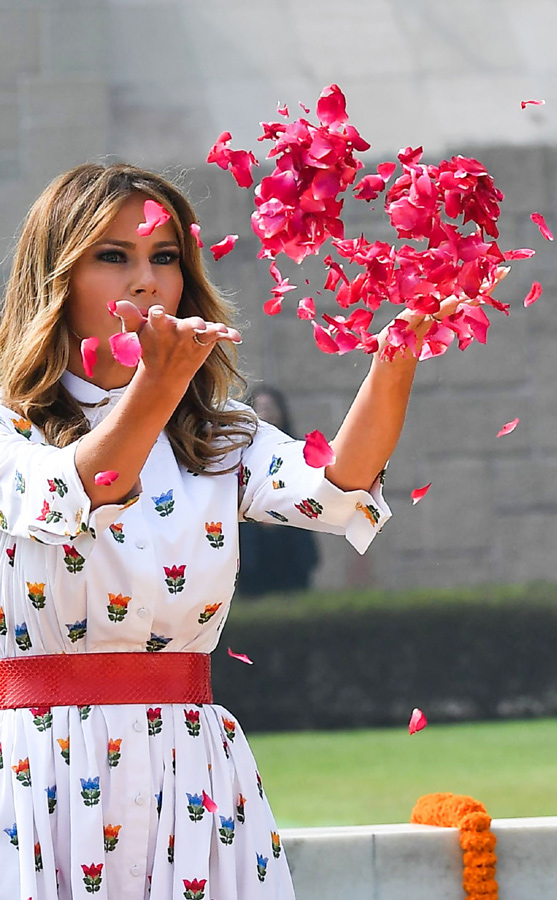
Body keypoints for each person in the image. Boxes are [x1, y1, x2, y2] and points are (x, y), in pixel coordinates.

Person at [0, 163, 424, 898]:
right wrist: (158, 387)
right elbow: (83, 489)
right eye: (115, 256)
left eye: (165, 258)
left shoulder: (215, 433)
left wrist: (397, 356)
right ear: (58, 276)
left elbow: (338, 490)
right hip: (41, 770)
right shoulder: (12, 430)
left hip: (189, 762)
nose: (147, 282)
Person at [237, 387, 319, 597]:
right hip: (252, 538)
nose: (268, 413)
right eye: (262, 408)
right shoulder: (239, 451)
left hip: (290, 534)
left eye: (272, 407)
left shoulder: (297, 449)